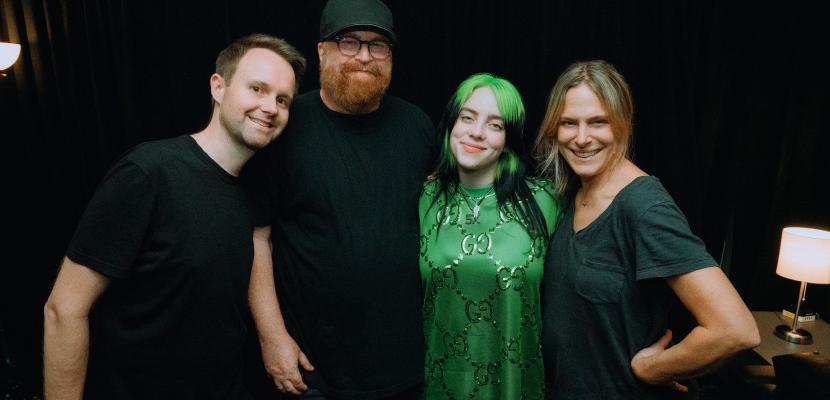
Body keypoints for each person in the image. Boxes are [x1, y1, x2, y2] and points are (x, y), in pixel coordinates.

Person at [42, 34, 305, 400]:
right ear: (218, 87)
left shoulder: (255, 188)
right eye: (257, 89)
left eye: (282, 100)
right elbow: (64, 309)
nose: (270, 107)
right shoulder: (149, 173)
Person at [241, 0, 434, 399]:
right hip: (312, 369)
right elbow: (258, 237)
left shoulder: (416, 126)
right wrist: (272, 337)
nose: (364, 56)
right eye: (349, 41)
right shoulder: (287, 125)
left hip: (403, 365)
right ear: (322, 51)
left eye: (378, 45)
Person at [534, 60, 760, 399]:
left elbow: (735, 330)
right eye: (569, 123)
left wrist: (651, 368)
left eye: (598, 122)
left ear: (623, 123)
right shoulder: (571, 193)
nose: (581, 138)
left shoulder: (644, 206)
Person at [419, 73, 559, 399]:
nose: (477, 132)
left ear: (508, 139)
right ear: (451, 124)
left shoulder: (546, 201)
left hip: (519, 386)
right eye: (467, 118)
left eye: (495, 125)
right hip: (440, 386)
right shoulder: (425, 198)